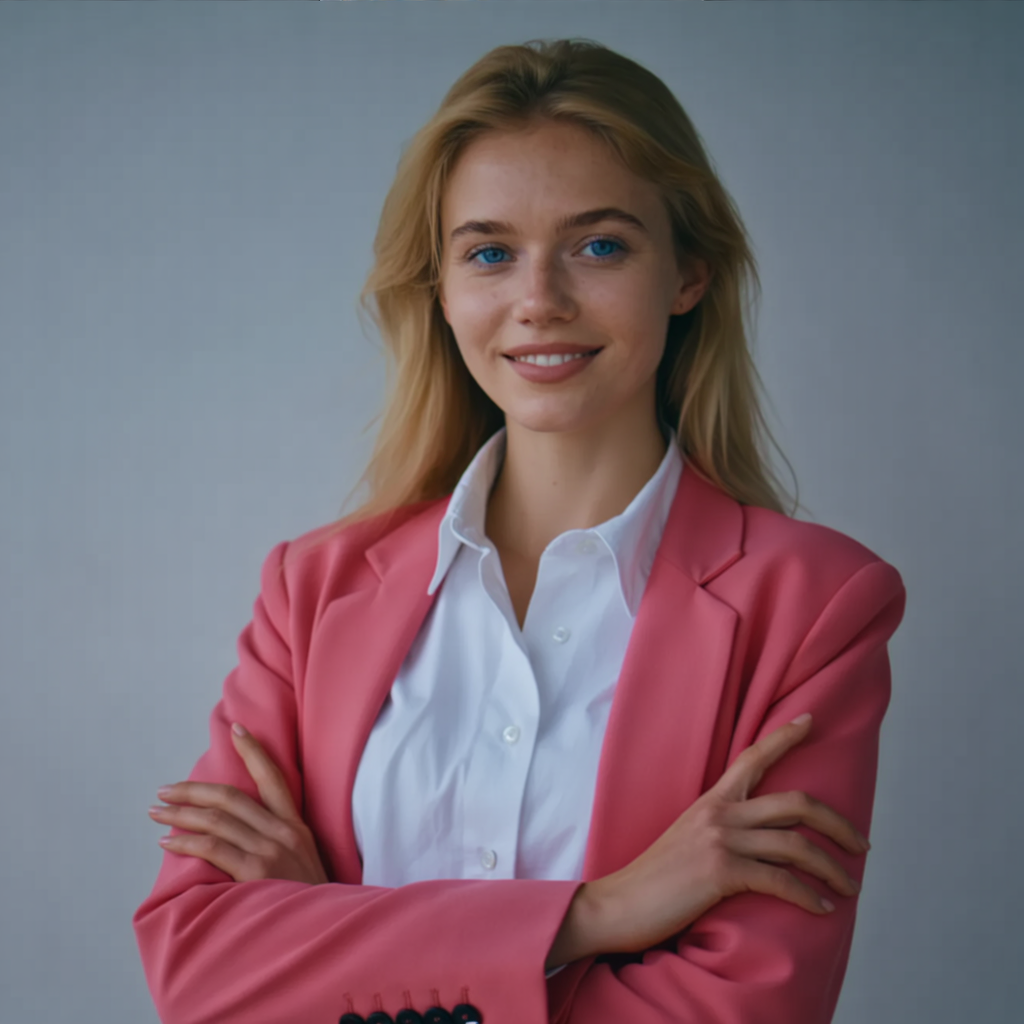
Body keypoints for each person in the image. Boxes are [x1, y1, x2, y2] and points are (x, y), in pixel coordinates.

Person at [134, 39, 906, 1024]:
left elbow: (735, 1011)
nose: (537, 300)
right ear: (442, 289)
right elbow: (200, 975)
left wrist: (331, 933)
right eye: (489, 252)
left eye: (599, 245)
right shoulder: (310, 592)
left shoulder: (814, 608)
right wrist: (593, 915)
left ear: (688, 272)